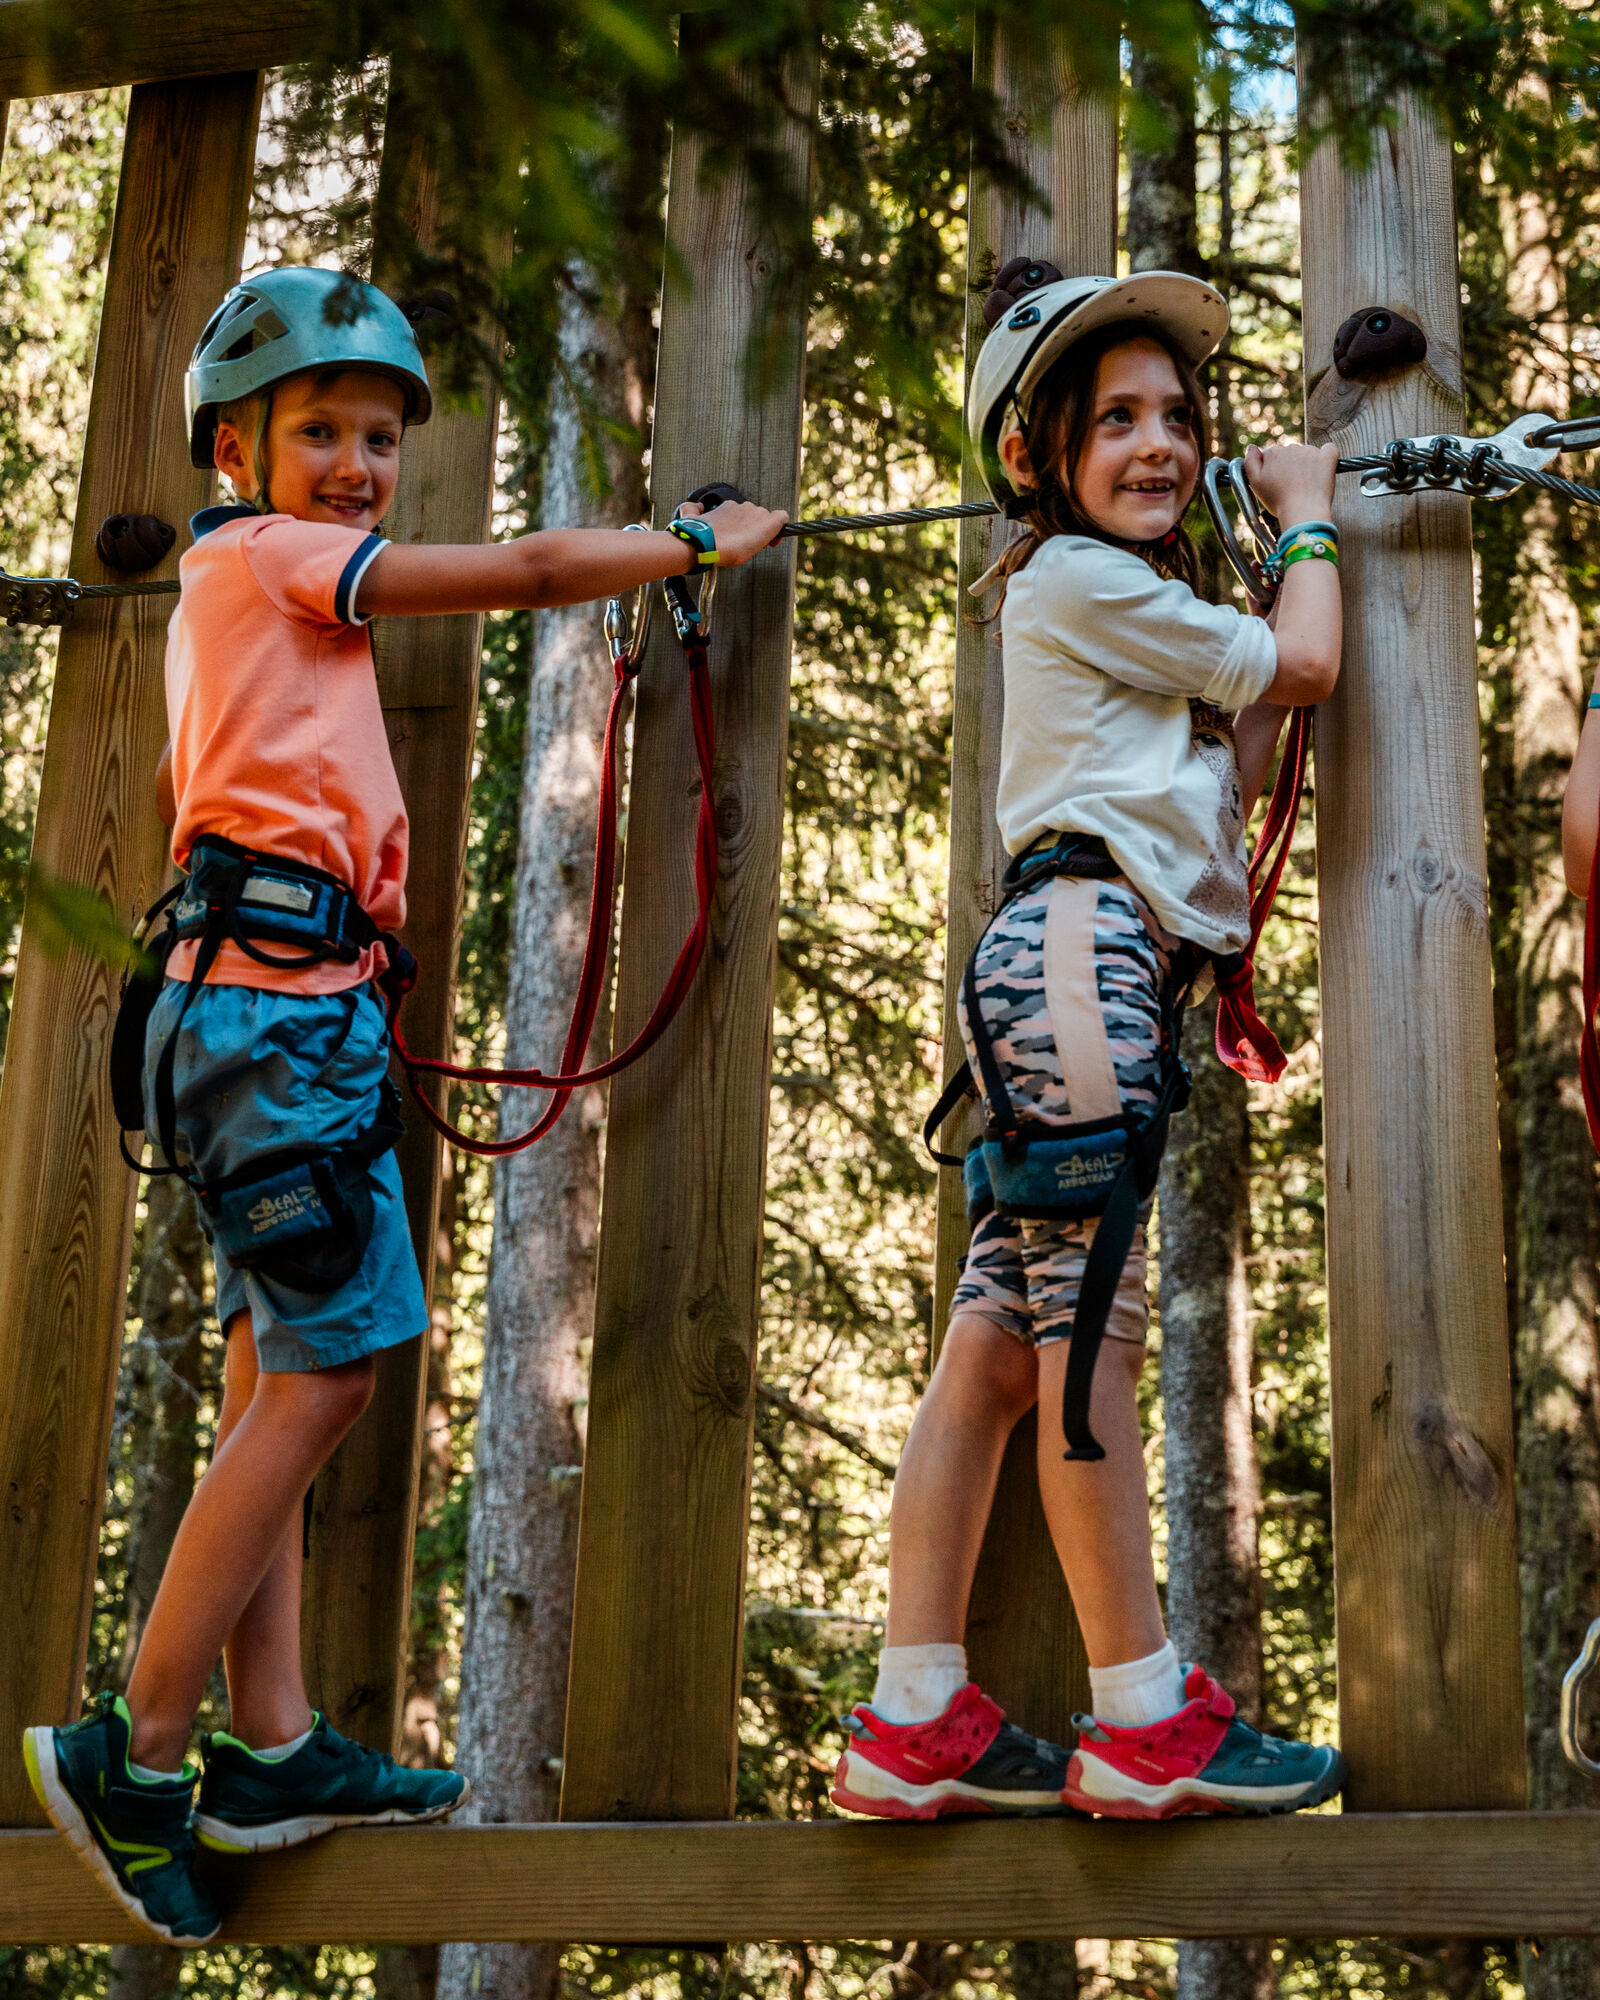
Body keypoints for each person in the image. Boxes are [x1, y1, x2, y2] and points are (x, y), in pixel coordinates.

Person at [23, 265, 786, 1944]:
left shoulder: (239, 599)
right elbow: (515, 572)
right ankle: (136, 1754)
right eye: (322, 431)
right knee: (336, 1375)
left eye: (379, 436)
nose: (360, 463)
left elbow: (191, 793)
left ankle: (275, 1745)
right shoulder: (276, 557)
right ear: (239, 446)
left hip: (273, 1016)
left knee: (276, 1375)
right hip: (276, 1027)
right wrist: (694, 548)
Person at [831, 263, 1348, 1823]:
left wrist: (1256, 621)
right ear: (1035, 457)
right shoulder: (1068, 576)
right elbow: (1309, 667)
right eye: (1113, 418)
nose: (1160, 444)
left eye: (1179, 417)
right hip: (1080, 961)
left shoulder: (1136, 618)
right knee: (1091, 1330)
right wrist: (1311, 515)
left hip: (1079, 967)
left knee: (997, 1345)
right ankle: (1140, 1713)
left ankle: (915, 1709)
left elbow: (1245, 742)